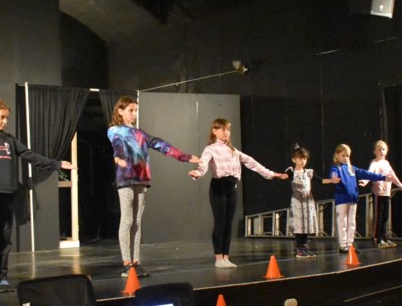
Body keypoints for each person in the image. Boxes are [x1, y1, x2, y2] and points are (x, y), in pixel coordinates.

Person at [0, 99, 73, 293]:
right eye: (1, 117)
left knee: (5, 238)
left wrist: (56, 164)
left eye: (6, 118)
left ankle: (2, 276)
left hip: (9, 194)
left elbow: (30, 155)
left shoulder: (9, 140)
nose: (4, 121)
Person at [108, 95, 199, 278]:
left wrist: (184, 156)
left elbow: (161, 144)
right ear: (120, 111)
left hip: (142, 179)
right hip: (125, 179)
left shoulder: (140, 134)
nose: (133, 114)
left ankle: (136, 262)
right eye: (130, 110)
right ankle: (126, 263)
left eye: (135, 110)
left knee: (137, 221)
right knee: (126, 220)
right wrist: (119, 157)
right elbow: (117, 144)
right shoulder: (115, 130)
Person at [189, 118, 287, 268]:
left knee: (229, 223)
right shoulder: (210, 149)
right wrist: (197, 172)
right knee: (220, 222)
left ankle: (226, 257)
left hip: (231, 188)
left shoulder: (233, 151)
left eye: (228, 129)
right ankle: (218, 258)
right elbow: (203, 164)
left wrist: (272, 174)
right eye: (222, 129)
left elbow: (252, 163)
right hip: (218, 188)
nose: (226, 132)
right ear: (215, 131)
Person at [328, 143, 402, 254]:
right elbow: (333, 175)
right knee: (342, 222)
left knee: (351, 223)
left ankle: (350, 244)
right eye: (343, 155)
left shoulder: (352, 169)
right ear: (337, 155)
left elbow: (367, 174)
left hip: (353, 199)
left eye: (347, 156)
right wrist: (333, 178)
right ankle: (343, 246)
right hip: (342, 199)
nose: (345, 158)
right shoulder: (336, 168)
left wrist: (383, 177)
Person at [359, 140, 402, 248]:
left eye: (384, 149)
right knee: (378, 217)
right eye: (379, 149)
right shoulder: (374, 163)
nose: (382, 151)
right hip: (378, 193)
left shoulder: (386, 163)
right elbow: (370, 173)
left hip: (386, 193)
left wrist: (400, 185)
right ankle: (377, 238)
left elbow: (392, 176)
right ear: (375, 151)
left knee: (385, 216)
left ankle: (384, 237)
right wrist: (365, 181)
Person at [286, 144, 320, 258]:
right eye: (300, 158)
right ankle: (299, 249)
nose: (302, 161)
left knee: (306, 225)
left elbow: (320, 180)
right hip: (297, 202)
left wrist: (333, 180)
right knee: (298, 225)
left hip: (307, 202)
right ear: (294, 159)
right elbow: (284, 176)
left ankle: (304, 248)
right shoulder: (291, 172)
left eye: (304, 158)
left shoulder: (308, 172)